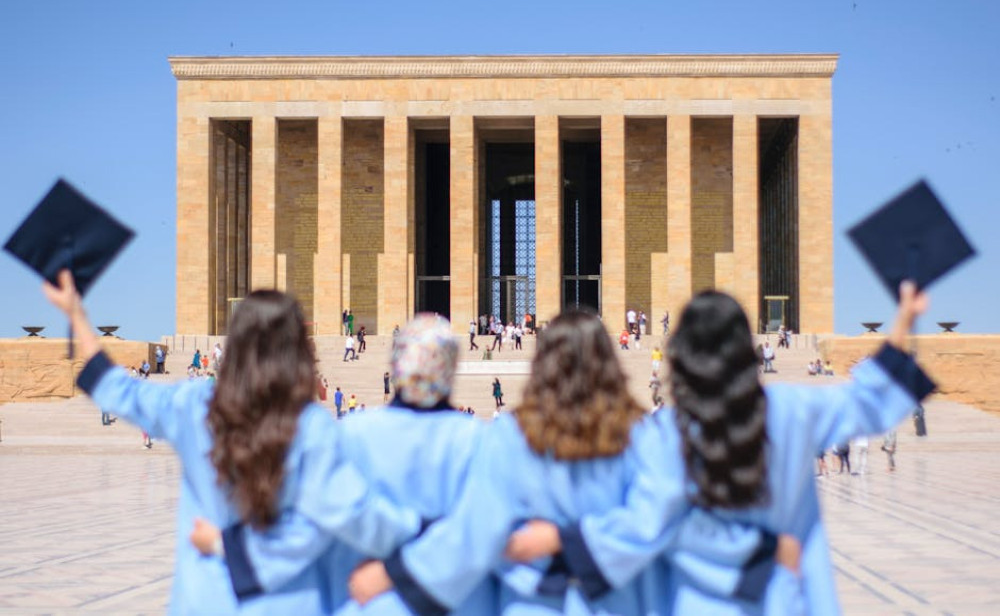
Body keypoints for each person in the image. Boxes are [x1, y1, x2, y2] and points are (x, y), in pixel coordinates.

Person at [497, 283, 934, 614]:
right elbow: (869, 399)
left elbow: (647, 527)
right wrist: (904, 319)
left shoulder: (666, 434)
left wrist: (562, 539)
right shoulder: (793, 412)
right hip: (781, 597)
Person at [348, 310, 795, 614]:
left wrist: (394, 574)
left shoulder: (509, 435)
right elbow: (658, 520)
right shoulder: (643, 434)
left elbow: (477, 533)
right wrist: (763, 548)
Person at [42, 271, 417, 614]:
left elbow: (117, 391)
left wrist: (76, 315)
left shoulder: (192, 406)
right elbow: (339, 519)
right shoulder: (311, 426)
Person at [189, 315, 495, 615]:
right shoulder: (479, 441)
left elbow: (310, 528)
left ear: (395, 363)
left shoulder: (352, 433)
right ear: (451, 367)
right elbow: (487, 532)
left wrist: (225, 545)